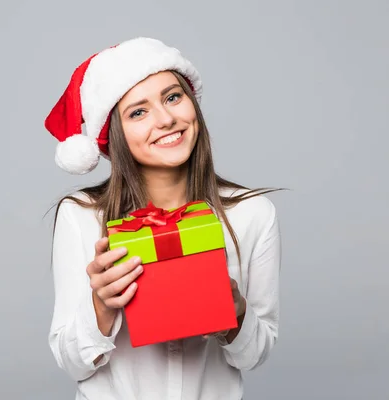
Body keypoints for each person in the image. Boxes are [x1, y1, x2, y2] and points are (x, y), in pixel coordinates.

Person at [44, 37, 282, 400]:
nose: (167, 119)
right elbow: (72, 361)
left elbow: (255, 354)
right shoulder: (82, 215)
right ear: (115, 135)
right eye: (138, 112)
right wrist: (102, 306)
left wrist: (236, 312)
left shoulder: (252, 214)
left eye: (173, 97)